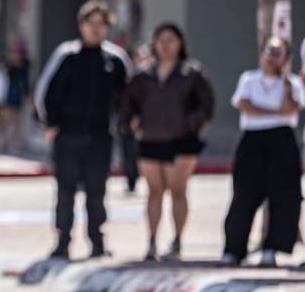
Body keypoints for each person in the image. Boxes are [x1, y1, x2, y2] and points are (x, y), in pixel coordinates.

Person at [34, 0, 130, 260]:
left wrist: (127, 125)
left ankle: (97, 243)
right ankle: (62, 242)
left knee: (97, 191)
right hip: (67, 135)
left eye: (102, 24)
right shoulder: (67, 55)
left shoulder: (116, 59)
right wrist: (49, 124)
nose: (96, 29)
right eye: (92, 23)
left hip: (100, 136)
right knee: (65, 192)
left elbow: (127, 98)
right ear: (81, 25)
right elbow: (45, 91)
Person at [123, 23, 215, 261]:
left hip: (182, 141)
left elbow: (206, 106)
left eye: (171, 40)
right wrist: (132, 121)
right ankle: (152, 241)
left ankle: (177, 241)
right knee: (154, 192)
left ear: (180, 43)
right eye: (160, 39)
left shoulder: (191, 73)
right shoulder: (143, 75)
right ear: (154, 43)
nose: (165, 45)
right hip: (151, 139)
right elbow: (127, 104)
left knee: (178, 191)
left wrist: (191, 123)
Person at [221, 36, 303, 268]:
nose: (272, 56)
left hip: (282, 140)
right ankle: (234, 250)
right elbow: (246, 105)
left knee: (283, 196)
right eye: (270, 51)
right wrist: (275, 112)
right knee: (244, 195)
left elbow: (291, 107)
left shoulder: (292, 83)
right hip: (252, 141)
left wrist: (285, 79)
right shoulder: (249, 79)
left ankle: (272, 248)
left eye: (278, 53)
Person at [119, 43, 154, 194]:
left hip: (149, 124)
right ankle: (131, 181)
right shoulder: (129, 77)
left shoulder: (154, 78)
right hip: (129, 123)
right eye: (138, 56)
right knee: (129, 153)